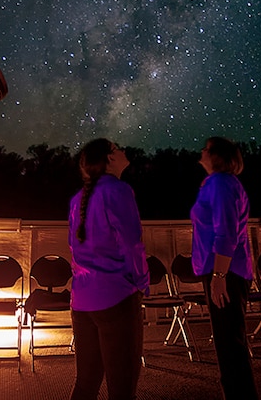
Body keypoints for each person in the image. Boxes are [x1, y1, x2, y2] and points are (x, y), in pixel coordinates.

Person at [68, 138, 150, 400]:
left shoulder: (77, 199)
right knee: (122, 389)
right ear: (109, 159)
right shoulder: (119, 190)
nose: (124, 149)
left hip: (81, 302)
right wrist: (142, 281)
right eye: (117, 148)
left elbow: (74, 246)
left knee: (86, 384)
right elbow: (131, 243)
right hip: (116, 299)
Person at [190, 136, 259, 400]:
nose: (202, 151)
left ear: (218, 156)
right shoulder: (216, 183)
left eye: (206, 149)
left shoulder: (220, 184)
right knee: (229, 344)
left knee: (230, 346)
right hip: (223, 270)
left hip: (226, 272)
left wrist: (219, 276)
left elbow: (226, 232)